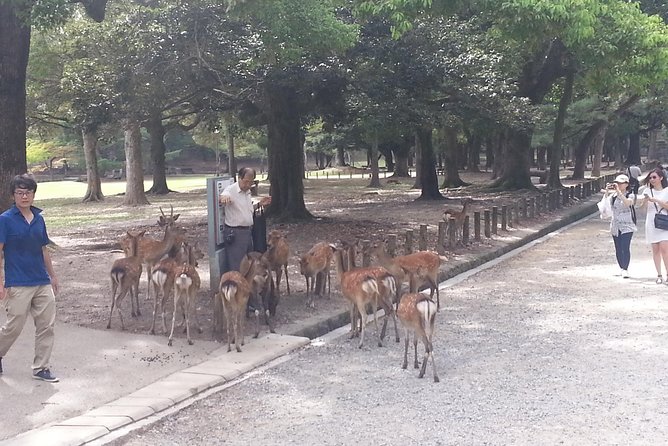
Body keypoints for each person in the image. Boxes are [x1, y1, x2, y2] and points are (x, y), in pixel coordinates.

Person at [0, 174, 60, 382]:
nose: (24, 196)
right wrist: (1, 283)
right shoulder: (5, 220)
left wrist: (52, 276)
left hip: (41, 281)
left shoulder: (39, 219)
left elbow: (43, 249)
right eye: (20, 192)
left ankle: (41, 367)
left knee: (46, 325)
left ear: (33, 194)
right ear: (13, 195)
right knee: (13, 326)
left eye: (28, 192)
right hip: (18, 282)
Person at [218, 167, 271, 273]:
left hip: (247, 232)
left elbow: (247, 210)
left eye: (251, 183)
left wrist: (259, 204)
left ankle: (247, 287)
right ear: (239, 178)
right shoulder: (231, 190)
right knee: (237, 264)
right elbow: (224, 195)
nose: (248, 185)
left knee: (248, 263)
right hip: (235, 233)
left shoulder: (247, 192)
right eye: (246, 182)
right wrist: (224, 198)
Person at [601, 174, 637, 278]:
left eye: (621, 183)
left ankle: (625, 268)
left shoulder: (630, 195)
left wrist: (619, 192)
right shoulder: (613, 196)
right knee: (618, 247)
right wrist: (608, 191)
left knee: (625, 246)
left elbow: (627, 203)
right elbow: (605, 206)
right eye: (617, 183)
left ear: (626, 184)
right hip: (615, 224)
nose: (618, 185)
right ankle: (621, 267)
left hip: (627, 225)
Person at [641, 167, 668, 284]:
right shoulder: (646, 191)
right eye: (650, 177)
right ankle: (659, 274)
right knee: (655, 250)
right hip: (651, 222)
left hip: (664, 222)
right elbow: (642, 209)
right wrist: (645, 202)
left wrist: (656, 200)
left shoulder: (666, 191)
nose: (652, 179)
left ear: (661, 178)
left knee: (664, 249)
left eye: (654, 177)